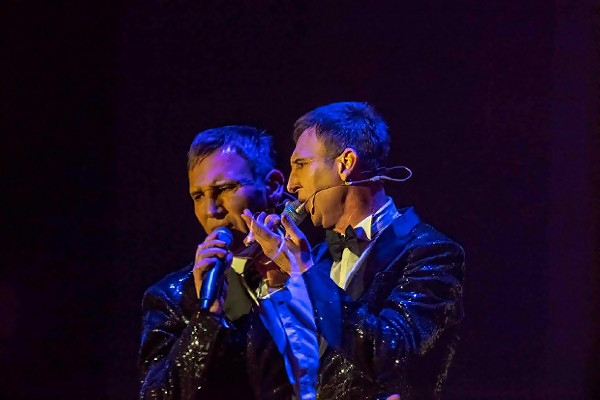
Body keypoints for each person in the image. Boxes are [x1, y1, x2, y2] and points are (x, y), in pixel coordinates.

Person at [242, 102, 465, 400]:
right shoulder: (318, 258)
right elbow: (274, 381)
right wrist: (276, 284)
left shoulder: (430, 252)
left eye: (301, 165)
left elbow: (392, 353)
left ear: (345, 163)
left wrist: (304, 272)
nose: (291, 185)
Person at [139, 126, 307, 399]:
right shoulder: (172, 297)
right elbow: (159, 395)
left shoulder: (320, 267)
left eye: (226, 189)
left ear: (274, 186)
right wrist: (207, 317)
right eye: (198, 196)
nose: (211, 210)